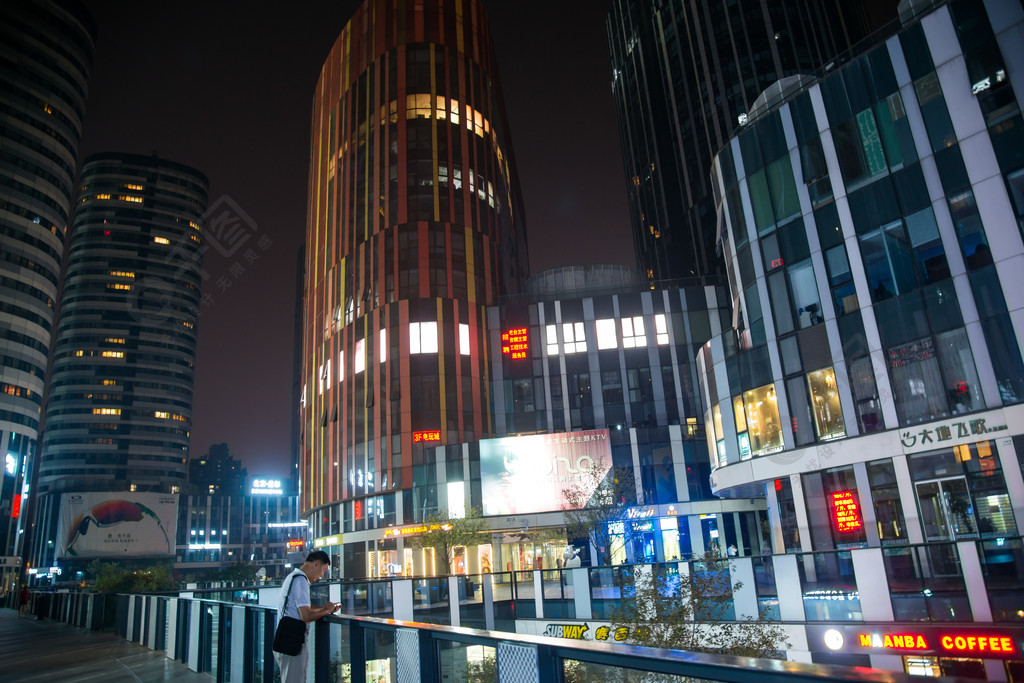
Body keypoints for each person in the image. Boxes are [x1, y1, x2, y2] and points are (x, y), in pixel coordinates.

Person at [275, 551, 339, 683]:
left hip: (287, 640)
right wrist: (326, 611)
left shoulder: (293, 576)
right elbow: (306, 615)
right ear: (316, 564)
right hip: (292, 642)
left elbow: (304, 607)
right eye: (323, 570)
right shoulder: (300, 580)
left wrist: (325, 609)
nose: (322, 575)